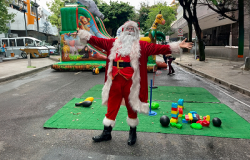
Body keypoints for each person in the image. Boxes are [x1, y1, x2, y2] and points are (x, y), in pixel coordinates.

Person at [77, 21, 193, 145]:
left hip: (132, 83)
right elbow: (95, 40)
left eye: (133, 29)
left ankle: (133, 133)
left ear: (136, 32)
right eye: (128, 28)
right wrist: (82, 34)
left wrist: (178, 46)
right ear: (123, 31)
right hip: (114, 81)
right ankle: (106, 133)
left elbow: (160, 48)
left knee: (132, 106)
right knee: (112, 106)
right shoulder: (112, 43)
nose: (130, 30)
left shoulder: (142, 45)